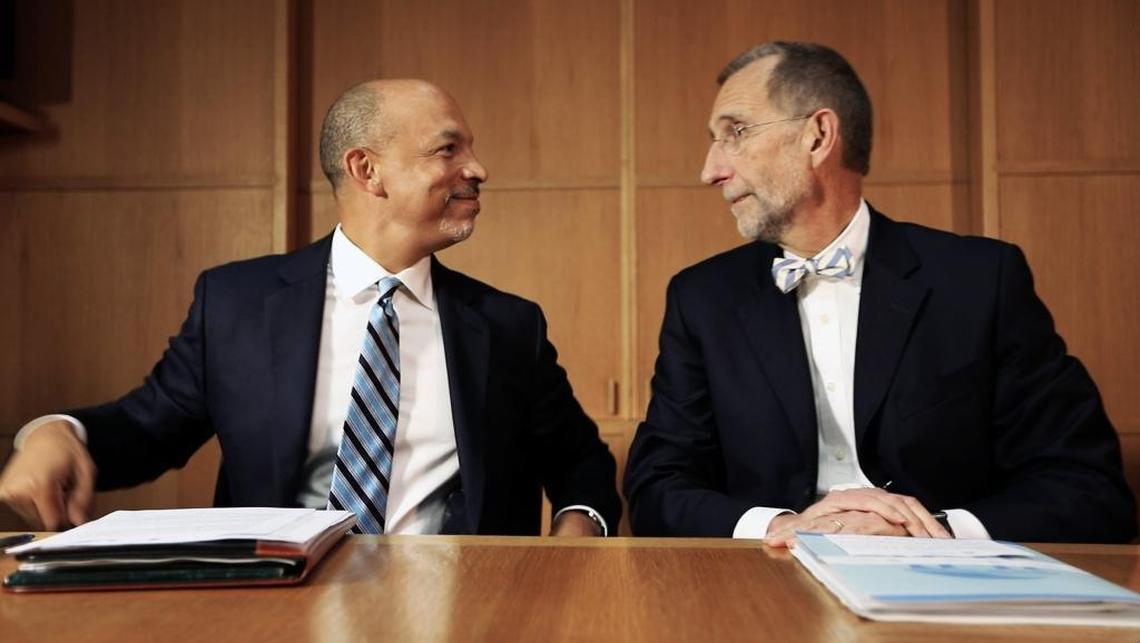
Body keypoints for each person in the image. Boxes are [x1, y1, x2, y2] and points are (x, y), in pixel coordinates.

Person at [0, 79, 620, 537]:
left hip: (466, 609)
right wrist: (58, 432)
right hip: (274, 608)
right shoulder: (236, 305)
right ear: (367, 170)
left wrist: (574, 536)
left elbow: (580, 461)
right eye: (447, 150)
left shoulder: (510, 326)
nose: (477, 169)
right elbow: (148, 429)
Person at [624, 42, 1136, 545]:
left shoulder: (981, 280)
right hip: (768, 580)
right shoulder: (701, 298)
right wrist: (783, 527)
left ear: (818, 135)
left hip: (947, 591)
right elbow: (657, 486)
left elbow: (1088, 487)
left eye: (735, 132)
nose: (710, 170)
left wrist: (935, 531)